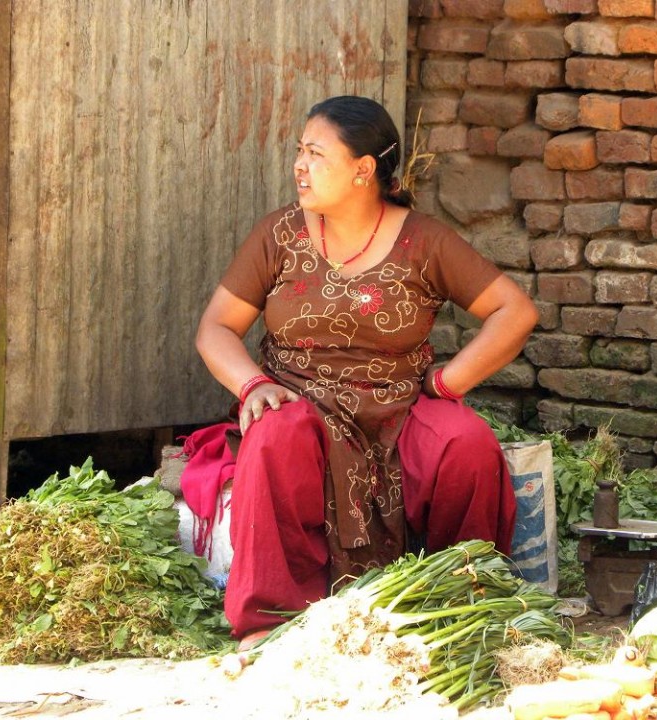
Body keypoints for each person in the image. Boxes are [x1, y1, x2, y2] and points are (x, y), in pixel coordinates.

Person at [195, 95, 539, 645]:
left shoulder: (424, 240)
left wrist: (450, 381)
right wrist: (252, 384)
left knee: (466, 442)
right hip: (301, 405)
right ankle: (271, 622)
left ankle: (459, 608)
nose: (299, 165)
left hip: (398, 409)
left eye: (316, 153)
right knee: (272, 433)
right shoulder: (279, 235)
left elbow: (515, 311)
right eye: (299, 152)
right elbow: (215, 327)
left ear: (363, 170)